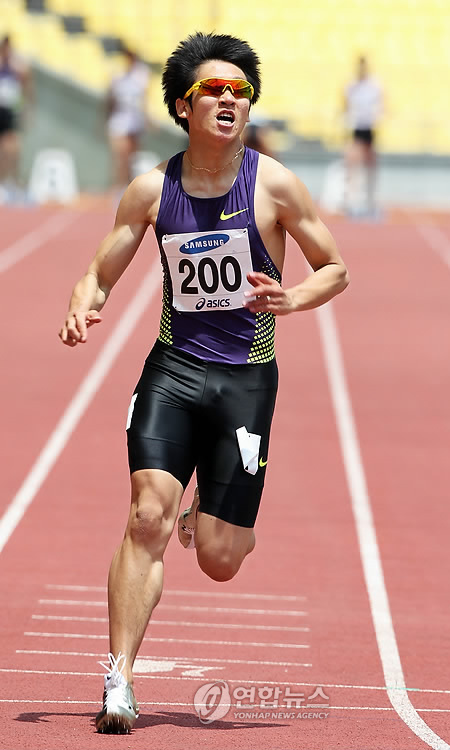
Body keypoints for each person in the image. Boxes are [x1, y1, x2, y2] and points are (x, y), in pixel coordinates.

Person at [59, 31, 349, 734]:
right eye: (214, 91)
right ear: (183, 107)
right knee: (144, 516)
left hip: (247, 383)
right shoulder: (153, 189)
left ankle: (207, 514)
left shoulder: (275, 183)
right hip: (174, 371)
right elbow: (102, 266)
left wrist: (293, 298)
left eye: (240, 92)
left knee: (220, 560)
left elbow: (335, 268)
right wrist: (84, 298)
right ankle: (119, 680)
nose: (229, 100)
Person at [106, 45, 150, 193]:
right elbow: (110, 100)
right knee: (120, 156)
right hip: (119, 120)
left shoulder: (141, 74)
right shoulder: (118, 75)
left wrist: (146, 119)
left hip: (134, 120)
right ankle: (119, 187)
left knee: (132, 157)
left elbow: (144, 99)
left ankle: (129, 187)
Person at [343, 55, 383, 215]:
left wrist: (377, 116)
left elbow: (382, 104)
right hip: (356, 128)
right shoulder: (351, 86)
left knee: (370, 165)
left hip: (369, 128)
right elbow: (345, 105)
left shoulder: (374, 86)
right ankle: (352, 201)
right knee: (353, 165)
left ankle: (371, 202)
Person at [0, 35, 32, 198]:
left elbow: (26, 81)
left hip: (10, 110)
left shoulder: (16, 65)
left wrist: (26, 109)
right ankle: (3, 181)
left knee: (13, 148)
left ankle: (11, 181)